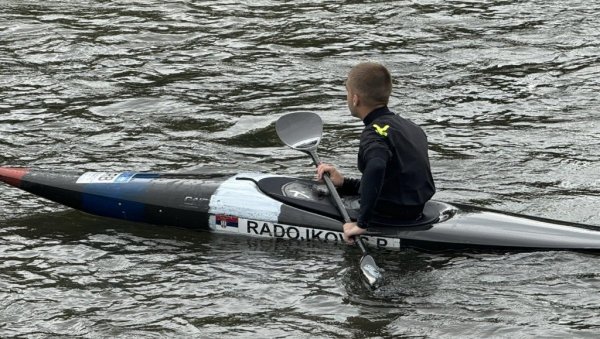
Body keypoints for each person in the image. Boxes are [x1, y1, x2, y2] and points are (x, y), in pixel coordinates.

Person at [316, 62, 435, 244]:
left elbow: (377, 166)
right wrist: (345, 183)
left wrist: (362, 223)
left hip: (389, 216)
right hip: (415, 209)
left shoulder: (373, 133)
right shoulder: (410, 127)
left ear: (355, 99)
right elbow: (395, 182)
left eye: (347, 92)